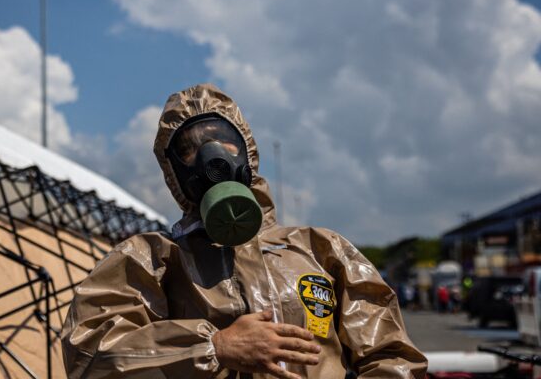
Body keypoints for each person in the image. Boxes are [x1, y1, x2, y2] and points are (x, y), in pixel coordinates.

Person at [62, 84, 427, 378]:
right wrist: (214, 347)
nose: (212, 159)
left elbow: (392, 357)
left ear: (247, 152)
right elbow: (89, 354)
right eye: (189, 150)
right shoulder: (151, 260)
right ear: (173, 171)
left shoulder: (320, 250)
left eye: (224, 141)